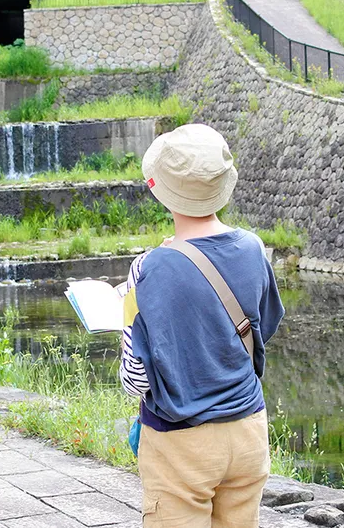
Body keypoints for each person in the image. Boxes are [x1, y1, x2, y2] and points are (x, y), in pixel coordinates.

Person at [120, 124, 285, 527]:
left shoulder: (146, 270)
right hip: (248, 429)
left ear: (163, 191)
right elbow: (266, 327)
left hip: (182, 441)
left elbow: (135, 378)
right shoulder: (253, 247)